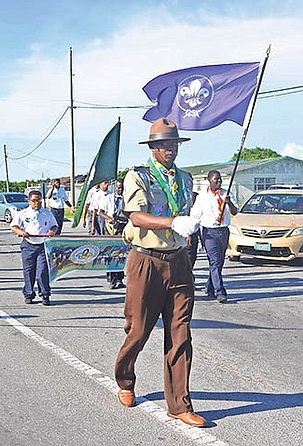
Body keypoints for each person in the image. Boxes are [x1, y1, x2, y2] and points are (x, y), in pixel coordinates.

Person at [114, 118, 205, 427]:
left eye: (174, 144)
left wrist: (191, 223)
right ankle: (125, 380)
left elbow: (184, 211)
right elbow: (137, 216)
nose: (170, 149)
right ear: (153, 147)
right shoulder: (138, 177)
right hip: (146, 261)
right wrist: (171, 223)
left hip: (178, 261)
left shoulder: (186, 179)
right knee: (138, 330)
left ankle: (180, 404)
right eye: (165, 144)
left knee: (181, 333)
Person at [191, 170, 238, 304]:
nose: (218, 182)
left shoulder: (226, 194)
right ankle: (220, 291)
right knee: (215, 261)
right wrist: (190, 231)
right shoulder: (202, 197)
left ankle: (209, 287)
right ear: (209, 180)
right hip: (209, 232)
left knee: (219, 262)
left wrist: (228, 202)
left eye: (220, 180)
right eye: (215, 180)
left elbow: (234, 212)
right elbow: (195, 215)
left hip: (223, 231)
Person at [10, 190, 58, 305]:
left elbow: (54, 225)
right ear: (29, 201)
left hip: (42, 245)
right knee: (28, 271)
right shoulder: (23, 213)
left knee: (42, 271)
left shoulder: (47, 213)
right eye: (34, 201)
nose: (36, 203)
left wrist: (52, 231)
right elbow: (13, 226)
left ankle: (45, 294)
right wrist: (21, 232)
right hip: (28, 244)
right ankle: (29, 293)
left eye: (39, 200)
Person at [98, 180, 126, 288]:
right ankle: (112, 278)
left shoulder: (126, 199)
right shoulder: (108, 198)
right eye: (119, 188)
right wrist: (109, 218)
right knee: (110, 253)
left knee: (120, 254)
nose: (120, 190)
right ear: (115, 188)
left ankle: (119, 278)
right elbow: (101, 212)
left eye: (122, 188)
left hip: (121, 227)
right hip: (110, 228)